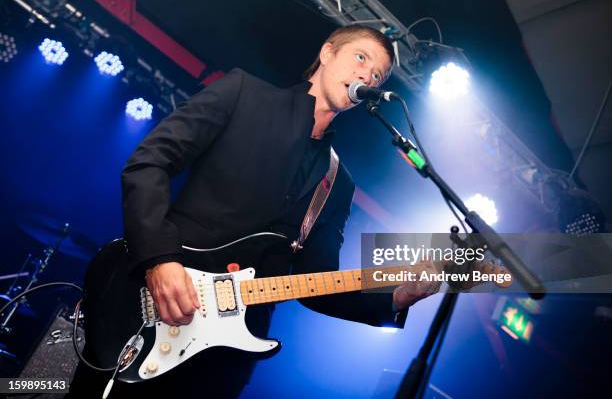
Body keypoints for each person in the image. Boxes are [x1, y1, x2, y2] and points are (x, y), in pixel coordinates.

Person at [68, 24, 438, 398]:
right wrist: (159, 260)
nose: (367, 74)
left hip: (222, 361)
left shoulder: (338, 181)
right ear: (327, 53)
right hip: (149, 308)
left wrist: (394, 298)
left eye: (378, 74)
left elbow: (317, 284)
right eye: (361, 57)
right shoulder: (243, 92)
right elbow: (148, 164)